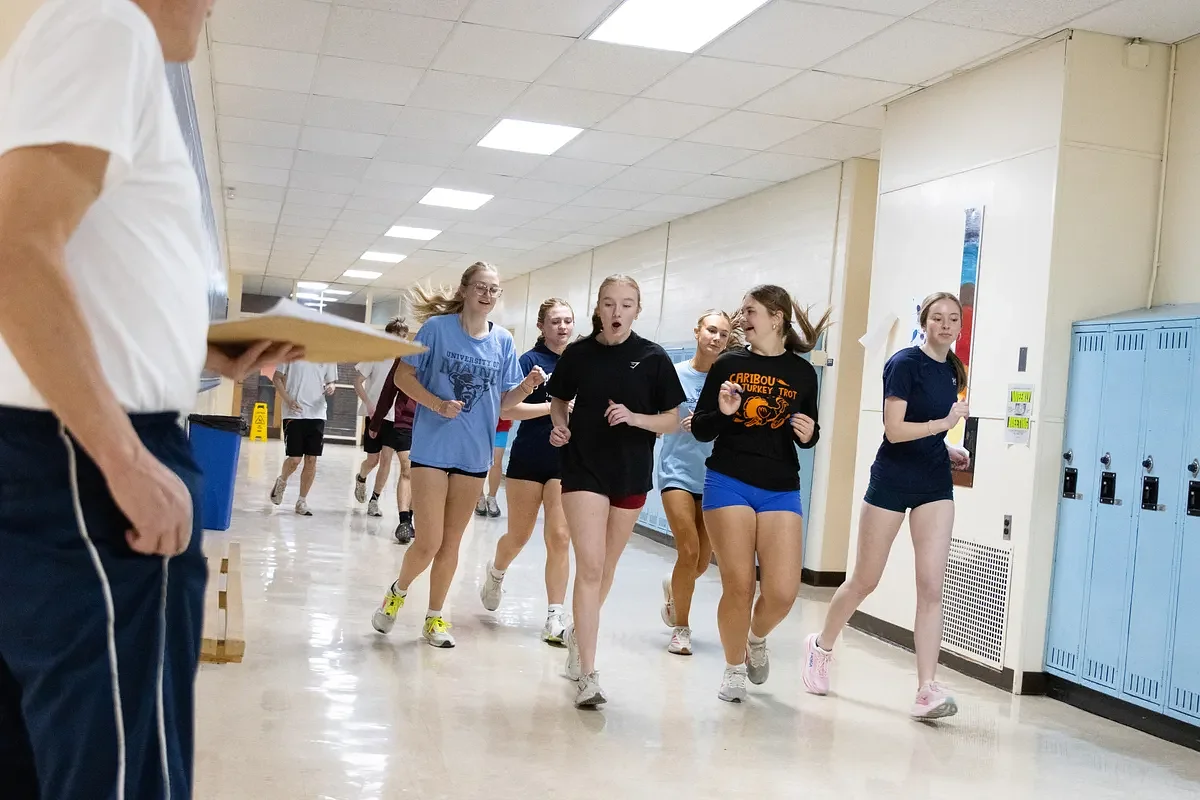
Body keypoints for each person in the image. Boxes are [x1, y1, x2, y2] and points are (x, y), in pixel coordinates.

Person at [0, 0, 299, 796]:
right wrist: (123, 457)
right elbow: (16, 251)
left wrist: (202, 350)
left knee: (46, 755)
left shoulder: (86, 33)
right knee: (120, 766)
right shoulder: (108, 25)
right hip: (82, 460)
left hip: (57, 447)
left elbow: (69, 271)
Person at [803, 292, 971, 720]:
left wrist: (946, 446)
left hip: (934, 483)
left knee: (932, 587)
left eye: (954, 318)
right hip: (893, 481)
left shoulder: (953, 369)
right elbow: (895, 431)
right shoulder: (903, 364)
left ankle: (926, 689)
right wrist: (944, 426)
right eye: (938, 318)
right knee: (865, 579)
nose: (946, 325)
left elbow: (925, 429)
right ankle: (821, 647)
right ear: (925, 320)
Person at [370, 262, 545, 648]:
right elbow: (402, 378)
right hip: (433, 449)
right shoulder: (436, 330)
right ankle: (397, 592)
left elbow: (504, 405)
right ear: (465, 290)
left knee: (452, 543)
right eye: (480, 286)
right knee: (428, 541)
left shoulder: (503, 343)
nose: (487, 294)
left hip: (474, 454)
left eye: (494, 289)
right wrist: (436, 404)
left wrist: (529, 387)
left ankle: (434, 619)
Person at [547, 275, 686, 707]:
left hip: (630, 472)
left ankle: (577, 635)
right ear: (599, 309)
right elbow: (558, 398)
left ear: (637, 311)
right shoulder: (579, 354)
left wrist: (635, 418)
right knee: (589, 567)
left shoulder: (653, 358)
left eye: (626, 304)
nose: (617, 312)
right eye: (609, 304)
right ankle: (589, 673)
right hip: (584, 469)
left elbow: (671, 419)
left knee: (605, 568)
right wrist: (560, 424)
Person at [691, 286, 829, 703]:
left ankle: (755, 638)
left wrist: (810, 435)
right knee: (738, 584)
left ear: (776, 317)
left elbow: (810, 430)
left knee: (784, 592)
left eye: (749, 312)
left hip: (780, 486)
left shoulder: (803, 373)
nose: (741, 319)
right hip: (729, 478)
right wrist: (724, 412)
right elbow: (701, 427)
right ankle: (733, 669)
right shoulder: (729, 363)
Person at [480, 298, 575, 645]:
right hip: (529, 459)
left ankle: (554, 616)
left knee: (560, 537)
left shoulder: (581, 362)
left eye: (567, 321)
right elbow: (511, 408)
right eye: (554, 322)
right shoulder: (529, 361)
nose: (562, 327)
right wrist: (551, 406)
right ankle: (496, 572)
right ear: (541, 327)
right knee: (518, 536)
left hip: (566, 460)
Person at [658, 310, 734, 656]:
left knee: (701, 562)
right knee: (688, 550)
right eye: (711, 330)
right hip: (676, 473)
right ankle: (681, 629)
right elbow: (657, 421)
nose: (716, 338)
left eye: (723, 334)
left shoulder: (730, 382)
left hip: (715, 475)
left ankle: (674, 590)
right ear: (697, 332)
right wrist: (675, 423)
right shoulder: (674, 375)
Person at [354, 318, 411, 518]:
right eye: (397, 336)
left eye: (404, 337)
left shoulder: (406, 361)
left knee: (387, 459)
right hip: (375, 415)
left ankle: (374, 500)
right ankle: (361, 478)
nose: (401, 340)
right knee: (373, 460)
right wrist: (369, 403)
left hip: (395, 417)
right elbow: (358, 382)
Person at [269, 361, 337, 516]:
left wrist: (331, 386)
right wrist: (288, 400)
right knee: (294, 459)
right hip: (294, 412)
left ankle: (302, 500)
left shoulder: (329, 353)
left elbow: (331, 380)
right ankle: (282, 480)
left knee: (311, 459)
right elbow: (277, 378)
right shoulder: (292, 349)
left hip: (317, 413)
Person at [369, 357, 419, 544]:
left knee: (419, 473)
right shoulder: (408, 357)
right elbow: (389, 389)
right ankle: (404, 521)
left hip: (435, 423)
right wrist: (376, 422)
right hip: (406, 420)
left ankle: (412, 518)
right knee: (407, 468)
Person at [476, 418, 511, 518]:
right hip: (480, 422)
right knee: (479, 461)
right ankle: (480, 497)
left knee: (497, 462)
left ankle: (492, 497)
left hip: (502, 422)